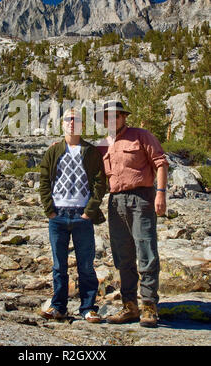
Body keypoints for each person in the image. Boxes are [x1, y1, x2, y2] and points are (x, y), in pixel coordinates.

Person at [96, 100, 169, 328]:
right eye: (107, 117)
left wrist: (161, 194)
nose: (111, 120)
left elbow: (161, 163)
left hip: (142, 199)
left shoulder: (141, 135)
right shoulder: (101, 144)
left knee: (146, 251)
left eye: (115, 116)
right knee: (122, 256)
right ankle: (130, 305)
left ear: (123, 117)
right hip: (116, 202)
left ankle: (149, 306)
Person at [39, 107, 106, 323]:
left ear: (81, 125)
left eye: (76, 119)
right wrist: (49, 209)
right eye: (68, 119)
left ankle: (88, 308)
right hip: (57, 215)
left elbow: (99, 183)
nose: (71, 123)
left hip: (81, 215)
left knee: (85, 265)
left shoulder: (91, 151)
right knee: (59, 265)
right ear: (62, 124)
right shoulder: (54, 151)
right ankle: (59, 306)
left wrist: (89, 211)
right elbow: (43, 181)